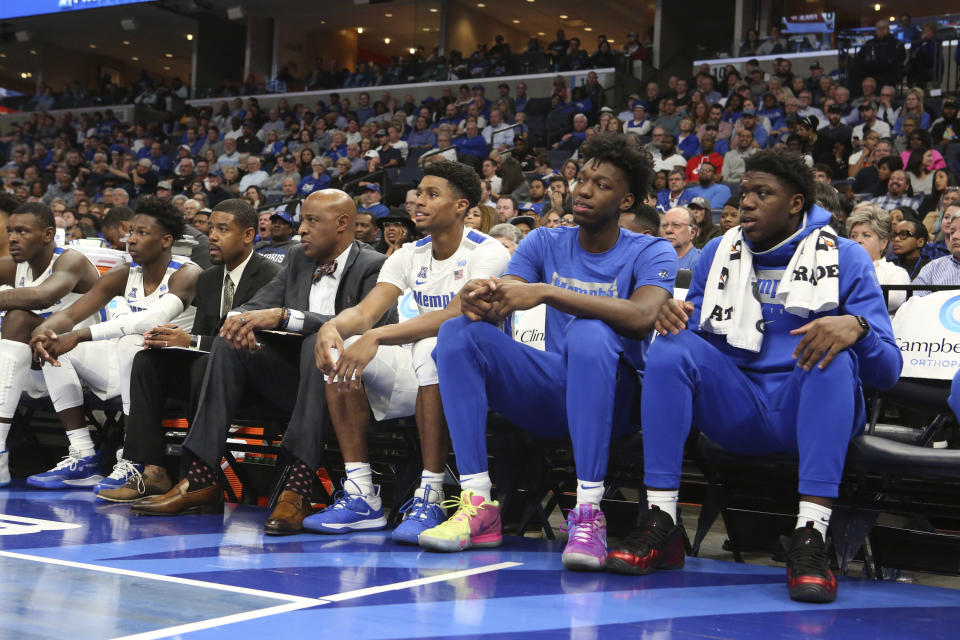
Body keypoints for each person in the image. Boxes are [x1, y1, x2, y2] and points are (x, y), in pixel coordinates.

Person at [615, 149, 900, 604]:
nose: (745, 202)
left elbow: (886, 372)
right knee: (670, 346)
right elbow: (699, 345)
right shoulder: (718, 252)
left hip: (806, 409)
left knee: (832, 353)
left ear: (795, 203)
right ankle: (661, 521)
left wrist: (858, 327)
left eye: (761, 193)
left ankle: (811, 536)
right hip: (738, 407)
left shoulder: (846, 256)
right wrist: (676, 318)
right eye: (744, 192)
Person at [419, 133, 677, 571]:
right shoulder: (543, 242)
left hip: (619, 401)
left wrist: (549, 293)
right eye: (583, 179)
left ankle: (589, 513)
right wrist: (487, 293)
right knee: (459, 333)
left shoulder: (652, 248)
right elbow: (514, 288)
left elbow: (641, 315)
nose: (585, 190)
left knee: (591, 333)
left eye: (602, 184)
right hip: (553, 390)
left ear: (627, 199)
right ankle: (478, 503)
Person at [130, 190, 393, 529]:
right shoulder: (298, 258)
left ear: (343, 224)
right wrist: (239, 319)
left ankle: (296, 487)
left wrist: (286, 317)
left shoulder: (374, 265)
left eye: (313, 221)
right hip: (290, 384)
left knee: (323, 340)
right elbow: (257, 304)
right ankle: (201, 477)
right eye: (303, 221)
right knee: (230, 340)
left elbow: (366, 323)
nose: (303, 230)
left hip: (346, 389)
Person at [306, 161, 510, 542]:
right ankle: (361, 493)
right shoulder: (407, 255)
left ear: (462, 206)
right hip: (418, 367)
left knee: (436, 345)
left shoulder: (488, 251)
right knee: (343, 353)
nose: (418, 202)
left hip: (479, 374)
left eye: (433, 195)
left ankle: (431, 493)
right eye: (419, 194)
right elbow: (366, 311)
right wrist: (332, 327)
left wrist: (379, 336)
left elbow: (456, 314)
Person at [96, 200, 282, 502]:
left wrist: (191, 342)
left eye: (223, 229)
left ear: (249, 235)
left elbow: (259, 342)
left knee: (202, 366)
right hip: (212, 374)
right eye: (211, 229)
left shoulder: (271, 274)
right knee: (147, 359)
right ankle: (152, 471)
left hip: (255, 378)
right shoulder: (208, 278)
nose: (212, 236)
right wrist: (172, 339)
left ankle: (196, 477)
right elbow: (205, 337)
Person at [28, 198, 201, 489]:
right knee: (58, 347)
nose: (131, 239)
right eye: (131, 232)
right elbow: (71, 314)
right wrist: (44, 332)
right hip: (125, 367)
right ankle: (83, 455)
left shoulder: (187, 273)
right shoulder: (125, 271)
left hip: (168, 374)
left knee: (133, 343)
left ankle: (134, 458)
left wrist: (80, 335)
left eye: (142, 233)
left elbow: (153, 320)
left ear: (166, 240)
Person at [0, 202, 102, 486]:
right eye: (10, 231)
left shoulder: (72, 260)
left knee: (20, 318)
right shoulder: (14, 266)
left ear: (47, 234)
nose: (13, 238)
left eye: (22, 231)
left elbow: (43, 296)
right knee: (18, 324)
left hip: (87, 363)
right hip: (36, 366)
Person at [847, 204, 911, 312]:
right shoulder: (839, 269)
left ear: (883, 243)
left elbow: (892, 300)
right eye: (854, 236)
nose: (858, 240)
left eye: (866, 235)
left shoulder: (895, 273)